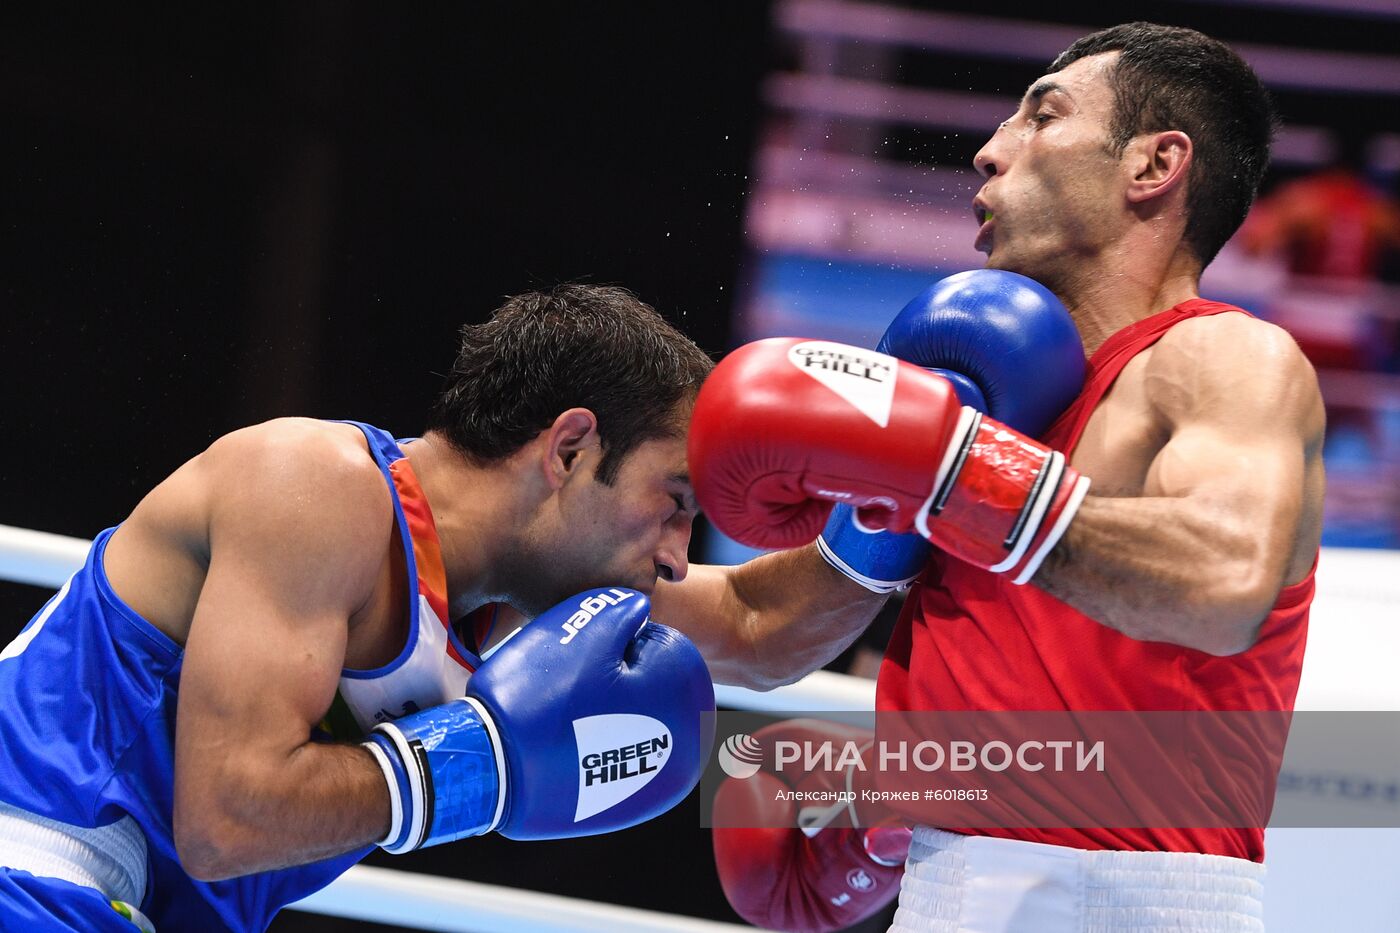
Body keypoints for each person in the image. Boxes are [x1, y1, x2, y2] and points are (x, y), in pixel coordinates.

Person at [658, 22, 1324, 932]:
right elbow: (765, 624)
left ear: (1154, 164)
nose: (988, 151)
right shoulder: (982, 409)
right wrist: (524, 567)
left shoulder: (1224, 358)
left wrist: (954, 470)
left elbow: (1224, 584)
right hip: (954, 895)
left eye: (1041, 117)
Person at [0, 284, 718, 931]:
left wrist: (837, 533)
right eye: (677, 503)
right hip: (36, 863)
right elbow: (226, 819)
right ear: (570, 451)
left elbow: (757, 625)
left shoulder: (510, 604)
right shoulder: (313, 486)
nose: (679, 557)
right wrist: (479, 768)